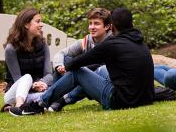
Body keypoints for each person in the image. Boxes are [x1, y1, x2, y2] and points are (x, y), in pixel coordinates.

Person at [9, 8, 154, 116]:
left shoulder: (112, 43)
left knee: (79, 72)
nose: (91, 27)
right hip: (145, 99)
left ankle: (38, 104)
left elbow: (80, 62)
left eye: (96, 23)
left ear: (112, 26)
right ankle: (61, 100)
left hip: (120, 101)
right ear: (131, 24)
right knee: (101, 70)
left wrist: (67, 66)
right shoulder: (140, 43)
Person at [47, 7, 112, 112]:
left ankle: (62, 100)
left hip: (103, 83)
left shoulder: (114, 42)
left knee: (93, 69)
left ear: (107, 26)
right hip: (83, 76)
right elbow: (61, 53)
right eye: (90, 23)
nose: (92, 27)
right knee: (66, 59)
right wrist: (59, 66)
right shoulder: (85, 41)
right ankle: (53, 98)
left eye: (96, 23)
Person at [1, 8, 54, 112]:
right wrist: (34, 85)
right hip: (15, 93)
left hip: (38, 91)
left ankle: (29, 105)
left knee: (55, 91)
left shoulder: (43, 45)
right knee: (27, 78)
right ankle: (20, 106)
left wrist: (41, 83)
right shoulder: (11, 49)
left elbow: (49, 74)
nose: (41, 24)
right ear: (26, 24)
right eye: (37, 21)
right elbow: (18, 80)